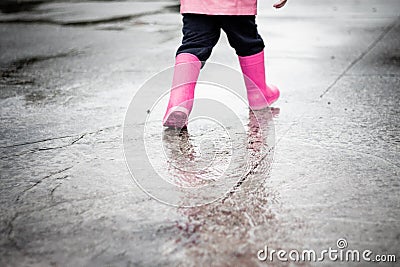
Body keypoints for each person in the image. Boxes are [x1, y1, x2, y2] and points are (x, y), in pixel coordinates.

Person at [163, 0, 288, 128]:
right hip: (236, 4)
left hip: (196, 3)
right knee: (247, 43)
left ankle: (179, 102)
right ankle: (258, 95)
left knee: (193, 44)